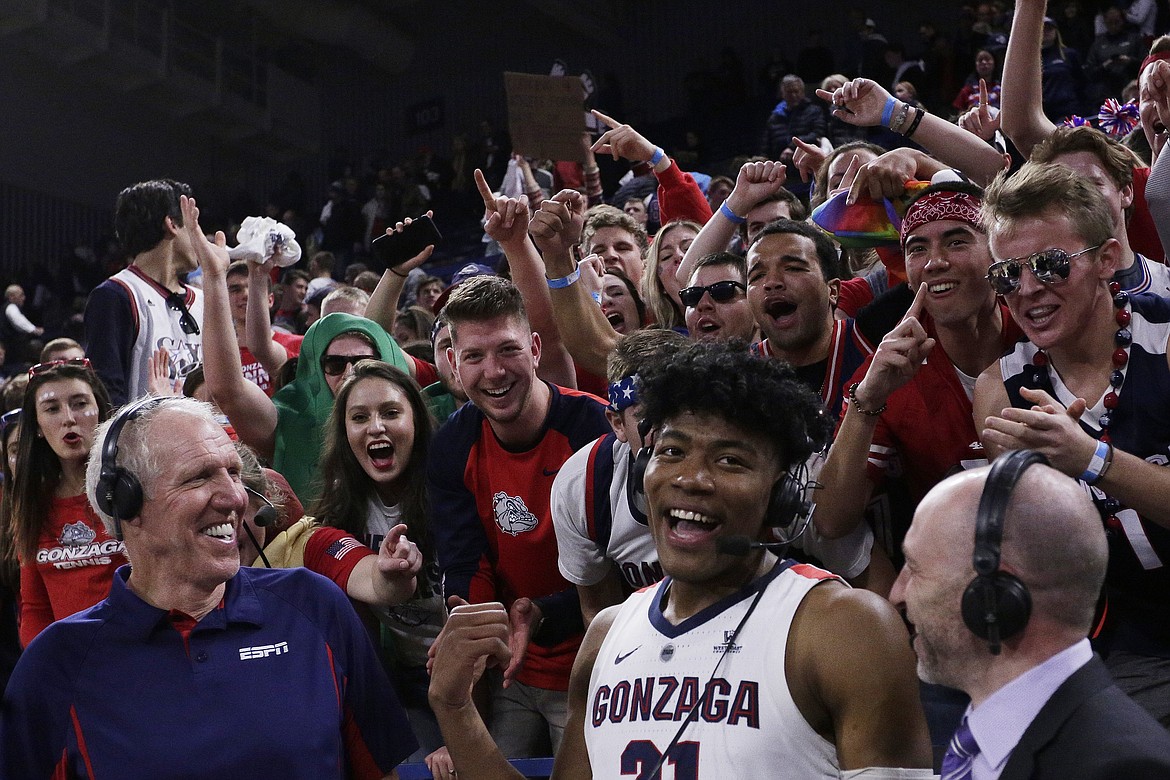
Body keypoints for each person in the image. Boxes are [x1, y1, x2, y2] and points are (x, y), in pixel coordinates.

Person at [428, 340, 933, 778]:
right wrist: (453, 708)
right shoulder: (604, 636)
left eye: (730, 459)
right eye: (671, 451)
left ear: (780, 494)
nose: (690, 478)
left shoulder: (847, 629)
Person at [0, 395, 417, 777]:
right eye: (199, 477)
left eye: (233, 472)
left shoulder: (314, 606)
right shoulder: (55, 666)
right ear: (124, 502)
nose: (235, 497)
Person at [974, 161, 1170, 724]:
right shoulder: (1000, 390)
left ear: (1107, 259)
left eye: (1052, 265)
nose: (1030, 289)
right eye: (1009, 274)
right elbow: (1039, 561)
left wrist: (1093, 460)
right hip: (1113, 647)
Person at [891, 454, 1170, 777]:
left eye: (915, 569)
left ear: (994, 596)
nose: (896, 595)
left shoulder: (1118, 768)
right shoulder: (980, 742)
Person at [427, 274, 611, 759]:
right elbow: (467, 561)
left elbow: (625, 572)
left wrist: (548, 612)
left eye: (506, 350)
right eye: (473, 356)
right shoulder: (451, 446)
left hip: (599, 663)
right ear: (453, 363)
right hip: (513, 668)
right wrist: (469, 627)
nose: (493, 372)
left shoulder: (596, 429)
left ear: (534, 348)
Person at [255, 361, 447, 766]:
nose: (375, 427)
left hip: (478, 674)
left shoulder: (452, 492)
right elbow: (373, 581)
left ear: (417, 420)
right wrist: (393, 576)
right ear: (345, 434)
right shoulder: (340, 512)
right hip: (406, 681)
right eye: (359, 418)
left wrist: (462, 722)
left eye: (391, 413)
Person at [188, 194, 415, 503]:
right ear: (316, 369)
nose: (350, 372)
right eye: (334, 364)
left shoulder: (418, 413)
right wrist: (215, 278)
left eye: (363, 361)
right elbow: (229, 389)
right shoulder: (292, 425)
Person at [11, 358, 124, 646]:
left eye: (79, 404)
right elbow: (34, 608)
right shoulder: (33, 503)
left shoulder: (131, 489)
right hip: (68, 669)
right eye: (52, 409)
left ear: (99, 411)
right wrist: (45, 668)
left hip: (138, 656)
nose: (68, 418)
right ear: (36, 426)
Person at [83, 179, 204, 405]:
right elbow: (106, 395)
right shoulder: (116, 295)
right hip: (144, 438)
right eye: (193, 226)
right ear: (172, 224)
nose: (199, 236)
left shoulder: (203, 300)